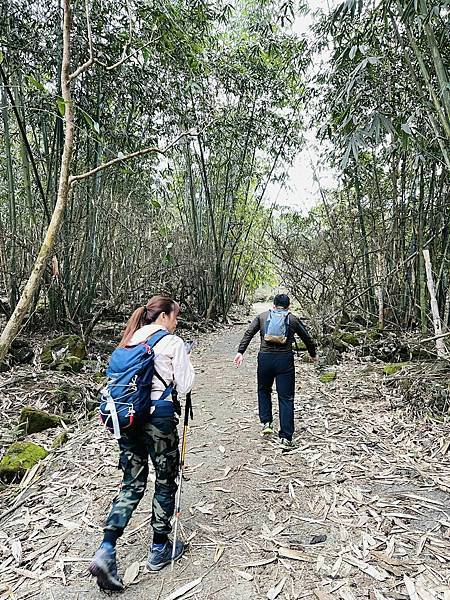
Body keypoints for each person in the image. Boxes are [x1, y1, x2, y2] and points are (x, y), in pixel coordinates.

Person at [89, 296, 194, 591]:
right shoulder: (171, 343)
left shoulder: (128, 342)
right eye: (175, 316)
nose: (176, 322)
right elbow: (185, 385)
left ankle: (106, 548)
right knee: (165, 479)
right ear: (163, 316)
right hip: (158, 421)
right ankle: (159, 548)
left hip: (127, 421)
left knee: (132, 483)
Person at [233, 294, 317, 449]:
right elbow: (308, 338)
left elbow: (248, 333)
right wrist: (312, 355)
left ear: (273, 305)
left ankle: (266, 423)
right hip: (284, 361)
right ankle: (286, 437)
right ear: (288, 306)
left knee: (264, 390)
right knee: (286, 398)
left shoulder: (263, 316)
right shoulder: (293, 319)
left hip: (265, 359)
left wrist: (240, 352)